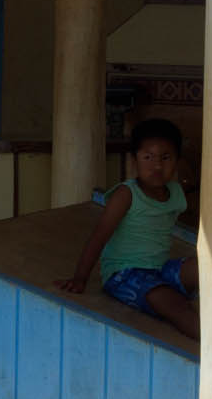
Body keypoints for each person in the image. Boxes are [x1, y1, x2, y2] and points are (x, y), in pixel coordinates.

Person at [59, 117, 197, 335]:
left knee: (206, 270)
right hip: (125, 274)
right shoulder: (126, 194)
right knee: (177, 307)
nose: (157, 166)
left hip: (160, 269)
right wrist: (80, 279)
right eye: (148, 157)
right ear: (134, 161)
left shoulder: (176, 192)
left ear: (177, 161)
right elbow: (99, 236)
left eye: (166, 158)